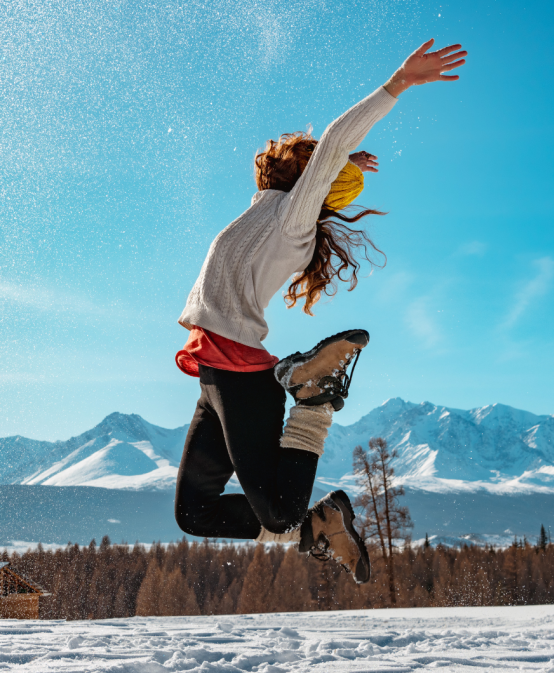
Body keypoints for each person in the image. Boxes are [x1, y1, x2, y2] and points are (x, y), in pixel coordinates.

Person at [173, 39, 467, 583]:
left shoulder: (290, 220)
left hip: (240, 374)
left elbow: (328, 143)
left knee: (275, 512)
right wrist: (337, 167)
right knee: (194, 513)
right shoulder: (261, 209)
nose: (294, 154)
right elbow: (313, 161)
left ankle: (313, 398)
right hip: (213, 375)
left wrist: (397, 84)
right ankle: (320, 528)